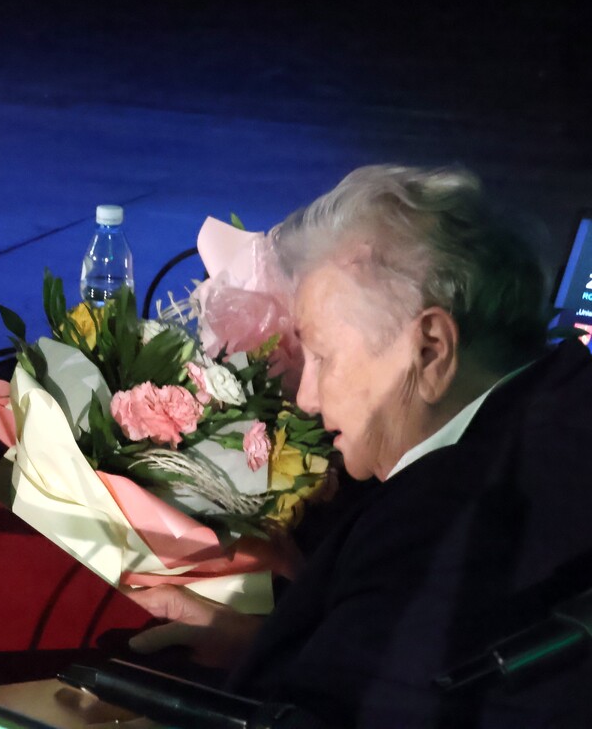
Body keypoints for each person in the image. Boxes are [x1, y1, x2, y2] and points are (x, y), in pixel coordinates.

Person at [129, 165, 592, 727]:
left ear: (430, 350)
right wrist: (262, 646)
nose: (306, 398)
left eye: (322, 357)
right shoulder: (556, 414)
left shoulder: (450, 525)